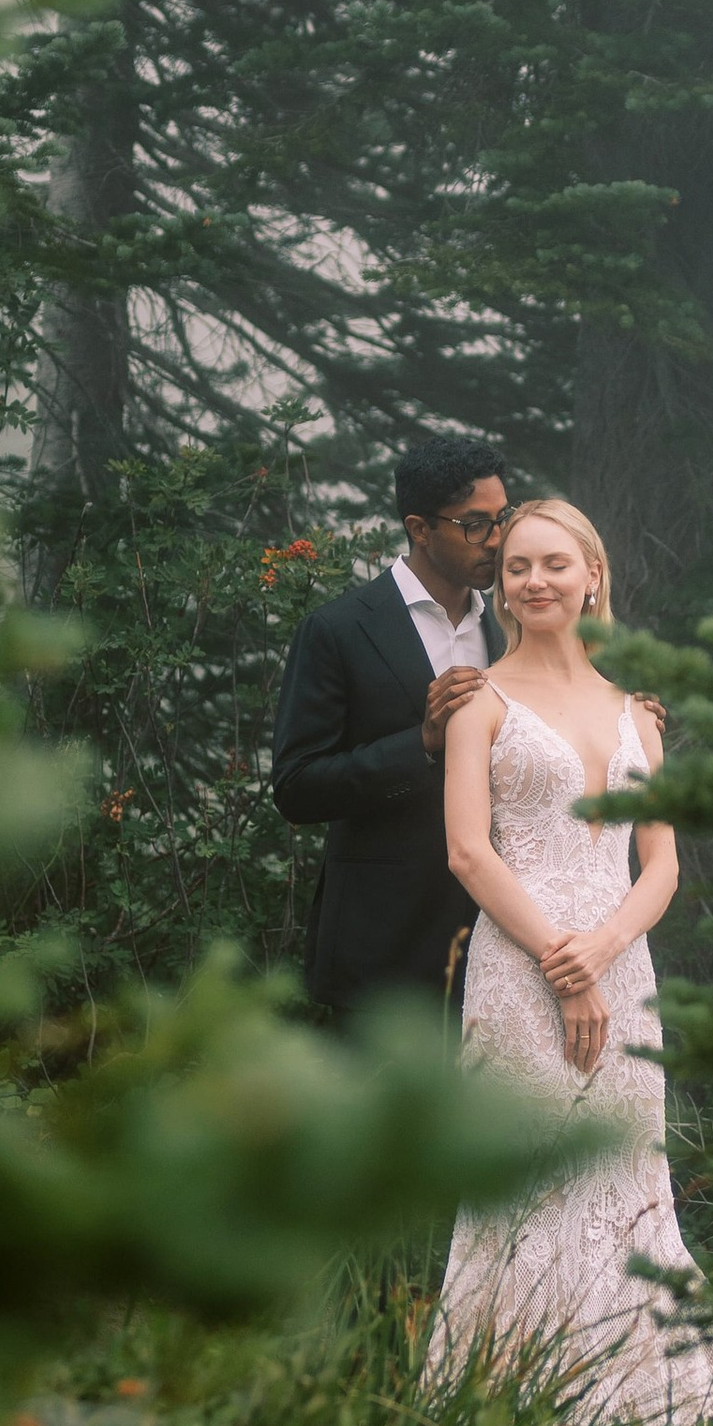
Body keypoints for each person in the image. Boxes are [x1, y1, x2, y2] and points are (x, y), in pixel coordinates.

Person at [430, 496, 713, 1426]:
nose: (533, 581)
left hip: (625, 974)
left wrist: (606, 952)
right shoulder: (477, 703)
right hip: (518, 971)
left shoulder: (636, 716)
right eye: (516, 568)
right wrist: (560, 963)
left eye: (552, 565)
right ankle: (510, 1421)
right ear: (501, 588)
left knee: (627, 1188)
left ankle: (646, 1412)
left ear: (593, 578)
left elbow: (659, 863)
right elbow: (467, 852)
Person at [270, 434, 510, 1025]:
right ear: (419, 528)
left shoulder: (513, 625)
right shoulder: (338, 629)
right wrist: (421, 743)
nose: (498, 541)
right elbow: (297, 786)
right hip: (383, 945)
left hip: (500, 937)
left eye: (502, 518)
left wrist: (623, 717)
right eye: (475, 525)